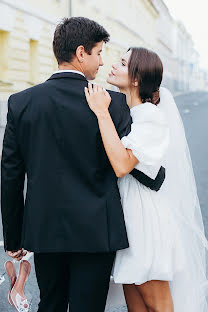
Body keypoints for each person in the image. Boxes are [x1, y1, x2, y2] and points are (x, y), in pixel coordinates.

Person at [1, 18, 165, 312]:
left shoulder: (21, 103)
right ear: (81, 53)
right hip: (96, 230)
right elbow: (129, 163)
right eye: (99, 52)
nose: (102, 62)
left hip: (45, 227)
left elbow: (10, 176)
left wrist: (12, 238)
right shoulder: (114, 104)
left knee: (50, 303)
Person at [85, 47, 208, 311]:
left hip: (145, 223)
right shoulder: (129, 113)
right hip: (127, 220)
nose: (114, 66)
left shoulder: (151, 118)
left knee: (159, 306)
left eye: (122, 63)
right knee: (137, 307)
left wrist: (101, 112)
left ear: (137, 78)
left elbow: (121, 165)